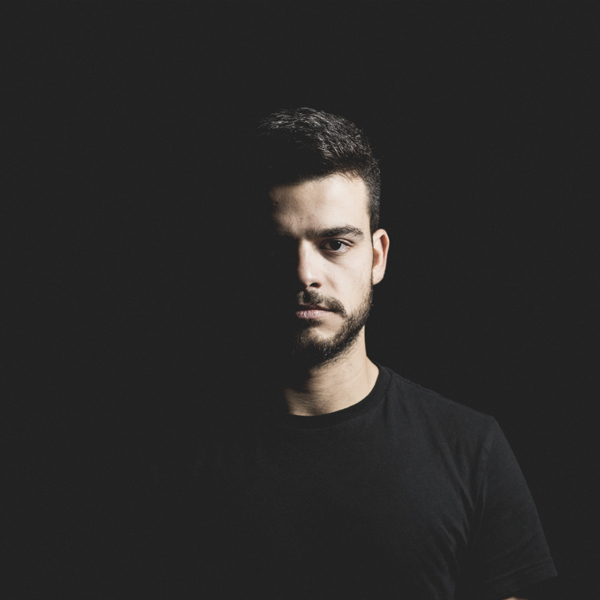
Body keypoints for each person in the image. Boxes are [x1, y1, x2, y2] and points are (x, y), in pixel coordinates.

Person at [172, 108, 557, 599]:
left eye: (334, 244)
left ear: (377, 256)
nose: (305, 274)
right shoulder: (172, 457)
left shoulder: (470, 450)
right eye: (277, 247)